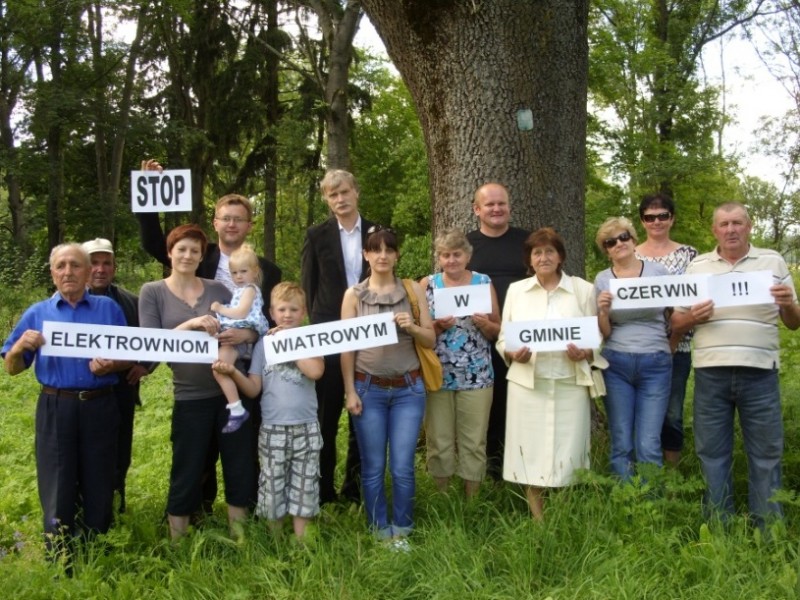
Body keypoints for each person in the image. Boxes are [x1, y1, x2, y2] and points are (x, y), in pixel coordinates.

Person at [138, 159, 280, 511]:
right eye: (225, 218)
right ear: (215, 222)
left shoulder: (268, 270)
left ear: (249, 225)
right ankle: (198, 511)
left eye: (239, 218)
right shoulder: (198, 258)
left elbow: (273, 316)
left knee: (244, 448)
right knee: (198, 453)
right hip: (199, 375)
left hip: (251, 370)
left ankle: (250, 511)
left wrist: (248, 336)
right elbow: (158, 242)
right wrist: (149, 193)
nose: (231, 224)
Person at [672, 202, 800, 525]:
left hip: (760, 372)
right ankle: (718, 525)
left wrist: (787, 305)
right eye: (724, 224)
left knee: (766, 454)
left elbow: (794, 322)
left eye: (737, 223)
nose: (731, 229)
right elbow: (675, 322)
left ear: (749, 226)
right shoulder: (698, 266)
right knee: (712, 453)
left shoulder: (772, 261)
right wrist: (692, 317)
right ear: (714, 230)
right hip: (710, 372)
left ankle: (767, 527)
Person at [2, 244, 128, 563]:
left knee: (100, 476)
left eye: (75, 265)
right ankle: (59, 552)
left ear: (88, 273)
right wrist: (18, 348)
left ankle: (97, 546)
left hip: (100, 404)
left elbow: (128, 355)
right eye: (61, 266)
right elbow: (13, 368)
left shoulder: (108, 309)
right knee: (57, 478)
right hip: (56, 405)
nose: (68, 271)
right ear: (53, 273)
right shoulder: (36, 313)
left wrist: (112, 364)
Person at [138, 224, 256, 539]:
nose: (188, 255)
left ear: (202, 255)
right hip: (190, 397)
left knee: (238, 466)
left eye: (194, 250)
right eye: (182, 249)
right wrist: (190, 323)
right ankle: (177, 542)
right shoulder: (153, 292)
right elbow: (150, 344)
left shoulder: (218, 290)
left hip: (230, 394)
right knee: (187, 469)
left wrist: (243, 333)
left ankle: (241, 539)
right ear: (170, 252)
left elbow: (250, 326)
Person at [496, 228, 600, 520]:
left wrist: (586, 352)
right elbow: (504, 338)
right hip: (529, 385)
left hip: (569, 383)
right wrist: (513, 353)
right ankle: (539, 519)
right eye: (537, 252)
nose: (544, 257)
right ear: (530, 259)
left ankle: (562, 516)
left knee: (569, 452)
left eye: (550, 251)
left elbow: (596, 337)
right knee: (531, 453)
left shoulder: (583, 289)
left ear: (561, 256)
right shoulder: (517, 291)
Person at [341, 226, 435, 546]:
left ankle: (403, 529)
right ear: (366, 255)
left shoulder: (412, 291)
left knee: (402, 467)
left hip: (409, 389)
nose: (382, 255)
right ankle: (379, 529)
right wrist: (350, 391)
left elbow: (431, 338)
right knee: (373, 466)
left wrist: (413, 328)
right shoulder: (353, 295)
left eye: (389, 249)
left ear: (396, 255)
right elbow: (346, 348)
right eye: (375, 250)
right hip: (369, 389)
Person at [212, 283, 324, 539]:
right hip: (273, 428)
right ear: (272, 313)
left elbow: (316, 371)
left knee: (304, 485)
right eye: (282, 309)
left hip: (306, 427)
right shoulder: (264, 345)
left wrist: (290, 346)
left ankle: (302, 545)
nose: (287, 315)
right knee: (273, 485)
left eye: (293, 309)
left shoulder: (310, 338)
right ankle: (276, 543)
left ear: (303, 312)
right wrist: (233, 373)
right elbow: (252, 389)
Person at [301, 169, 377, 505]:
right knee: (326, 415)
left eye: (345, 192)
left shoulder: (377, 231)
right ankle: (324, 491)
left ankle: (355, 489)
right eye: (333, 195)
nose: (340, 199)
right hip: (328, 331)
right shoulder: (316, 235)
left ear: (356, 192)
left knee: (364, 410)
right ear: (327, 199)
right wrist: (316, 330)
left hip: (369, 327)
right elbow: (309, 285)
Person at [419, 228, 500, 499]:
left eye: (457, 254)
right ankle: (442, 497)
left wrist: (485, 324)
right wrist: (438, 327)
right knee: (439, 440)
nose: (451, 260)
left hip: (477, 374)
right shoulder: (427, 284)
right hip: (437, 374)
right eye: (445, 255)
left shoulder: (482, 282)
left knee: (474, 440)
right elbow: (419, 331)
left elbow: (497, 329)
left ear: (467, 255)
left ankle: (471, 500)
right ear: (438, 258)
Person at [594, 217, 672, 481]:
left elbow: (674, 314)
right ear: (606, 249)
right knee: (622, 440)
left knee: (649, 442)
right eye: (610, 242)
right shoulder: (603, 280)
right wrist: (603, 311)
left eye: (623, 237)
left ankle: (652, 506)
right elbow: (604, 332)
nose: (619, 244)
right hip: (616, 362)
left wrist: (668, 348)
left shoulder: (658, 273)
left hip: (656, 363)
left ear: (634, 238)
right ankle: (625, 503)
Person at [81, 238, 150, 515]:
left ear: (114, 267)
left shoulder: (131, 302)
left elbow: (152, 338)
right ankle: (81, 506)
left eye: (106, 263)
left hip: (121, 388)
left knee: (119, 450)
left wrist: (145, 364)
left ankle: (116, 502)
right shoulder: (65, 300)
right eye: (93, 263)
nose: (100, 269)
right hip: (79, 393)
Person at [466, 182, 529, 480]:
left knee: (517, 398)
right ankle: (490, 464)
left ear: (509, 207)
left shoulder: (527, 242)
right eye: (489, 204)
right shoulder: (466, 246)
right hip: (477, 339)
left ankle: (521, 460)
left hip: (521, 336)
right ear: (477, 210)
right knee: (487, 402)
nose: (496, 209)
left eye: (501, 203)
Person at [633, 194, 698, 467]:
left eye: (662, 216)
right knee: (639, 411)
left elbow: (693, 301)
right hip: (638, 347)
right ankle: (641, 470)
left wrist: (674, 339)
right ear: (642, 221)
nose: (656, 221)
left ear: (672, 218)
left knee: (671, 413)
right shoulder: (631, 253)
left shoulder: (690, 256)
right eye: (650, 217)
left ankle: (670, 476)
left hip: (677, 348)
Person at [210, 244, 269, 433]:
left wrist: (220, 308)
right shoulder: (241, 290)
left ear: (255, 271)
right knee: (220, 369)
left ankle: (237, 409)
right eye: (234, 272)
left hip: (242, 336)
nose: (238, 276)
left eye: (243, 271)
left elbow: (241, 312)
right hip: (237, 336)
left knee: (219, 369)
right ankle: (236, 407)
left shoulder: (250, 289)